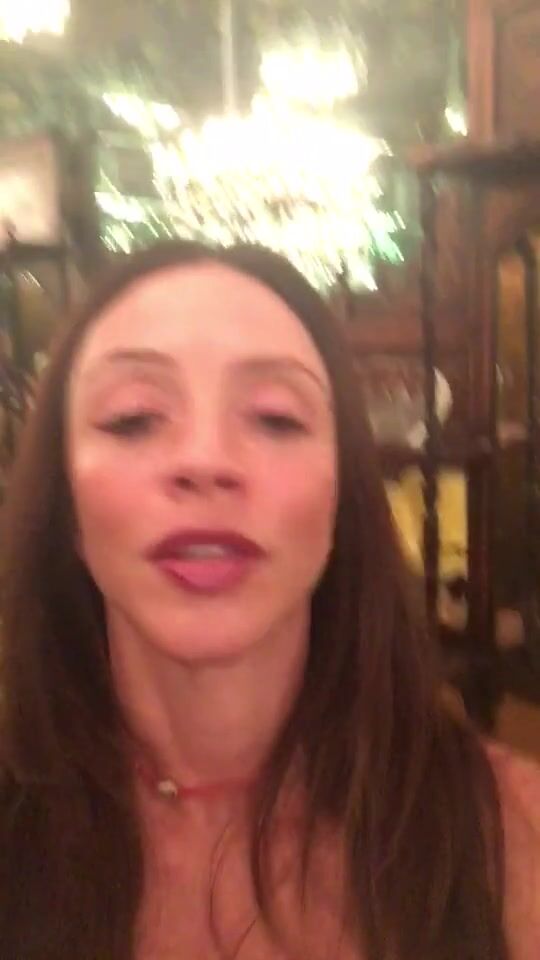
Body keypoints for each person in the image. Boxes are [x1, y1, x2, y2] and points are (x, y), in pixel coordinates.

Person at [0, 239, 538, 960]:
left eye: (277, 418)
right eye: (133, 417)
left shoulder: (512, 834)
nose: (205, 461)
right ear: (64, 501)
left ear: (341, 496)